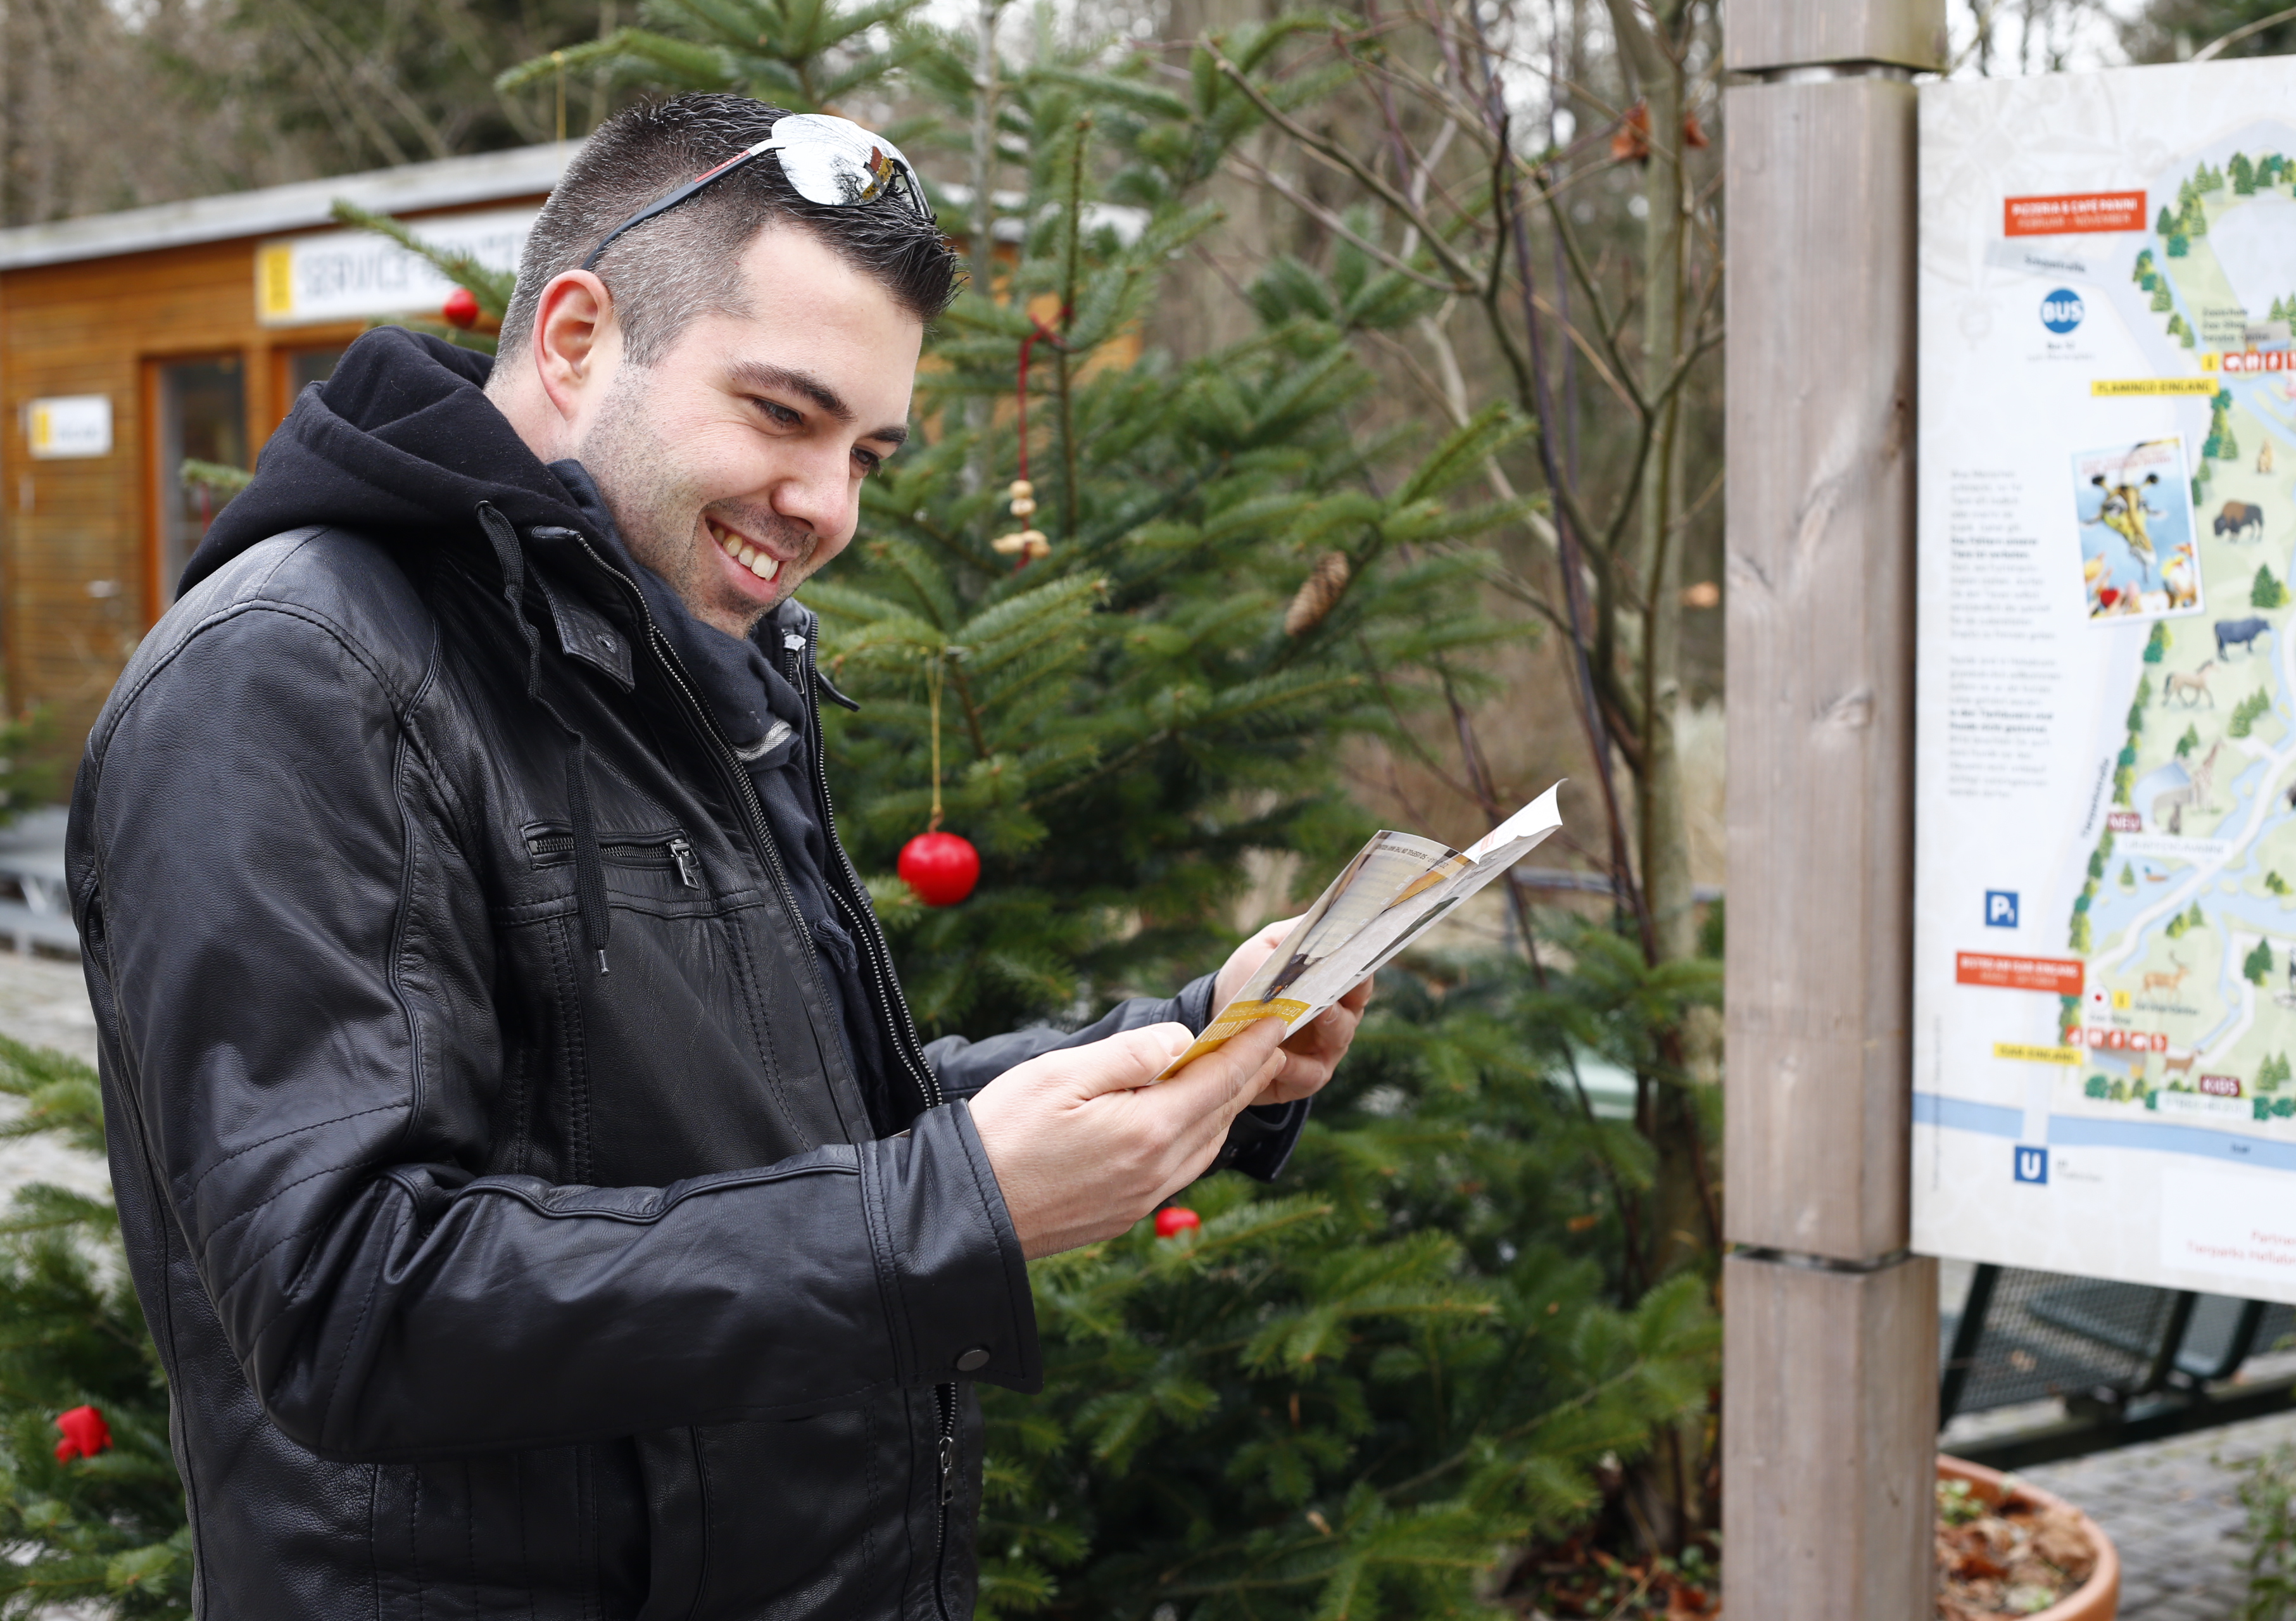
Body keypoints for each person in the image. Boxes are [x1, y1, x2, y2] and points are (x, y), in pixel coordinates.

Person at [65, 91, 1368, 1620]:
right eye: (783, 414)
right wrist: (952, 1218)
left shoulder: (669, 660)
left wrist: (1187, 1046)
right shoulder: (289, 671)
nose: (829, 508)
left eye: (869, 452)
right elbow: (351, 1299)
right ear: (576, 337)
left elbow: (786, 1125)